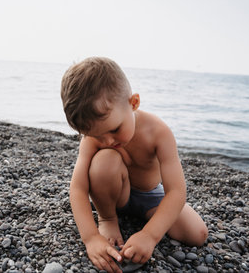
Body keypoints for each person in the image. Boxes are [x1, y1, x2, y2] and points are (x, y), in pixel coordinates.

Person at [60, 57, 208, 273]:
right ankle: (108, 217)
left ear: (134, 103)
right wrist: (91, 238)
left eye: (114, 129)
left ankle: (141, 219)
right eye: (96, 135)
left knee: (198, 235)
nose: (108, 141)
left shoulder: (159, 132)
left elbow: (176, 191)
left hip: (150, 196)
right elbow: (78, 188)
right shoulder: (92, 139)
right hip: (113, 193)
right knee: (105, 160)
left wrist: (150, 235)